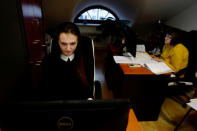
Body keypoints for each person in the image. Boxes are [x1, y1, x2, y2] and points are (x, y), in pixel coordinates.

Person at [40, 22, 93, 100]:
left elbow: (89, 86)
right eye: (63, 44)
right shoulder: (47, 62)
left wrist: (89, 99)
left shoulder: (85, 60)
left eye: (72, 44)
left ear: (78, 42)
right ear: (58, 42)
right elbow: (45, 92)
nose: (68, 49)